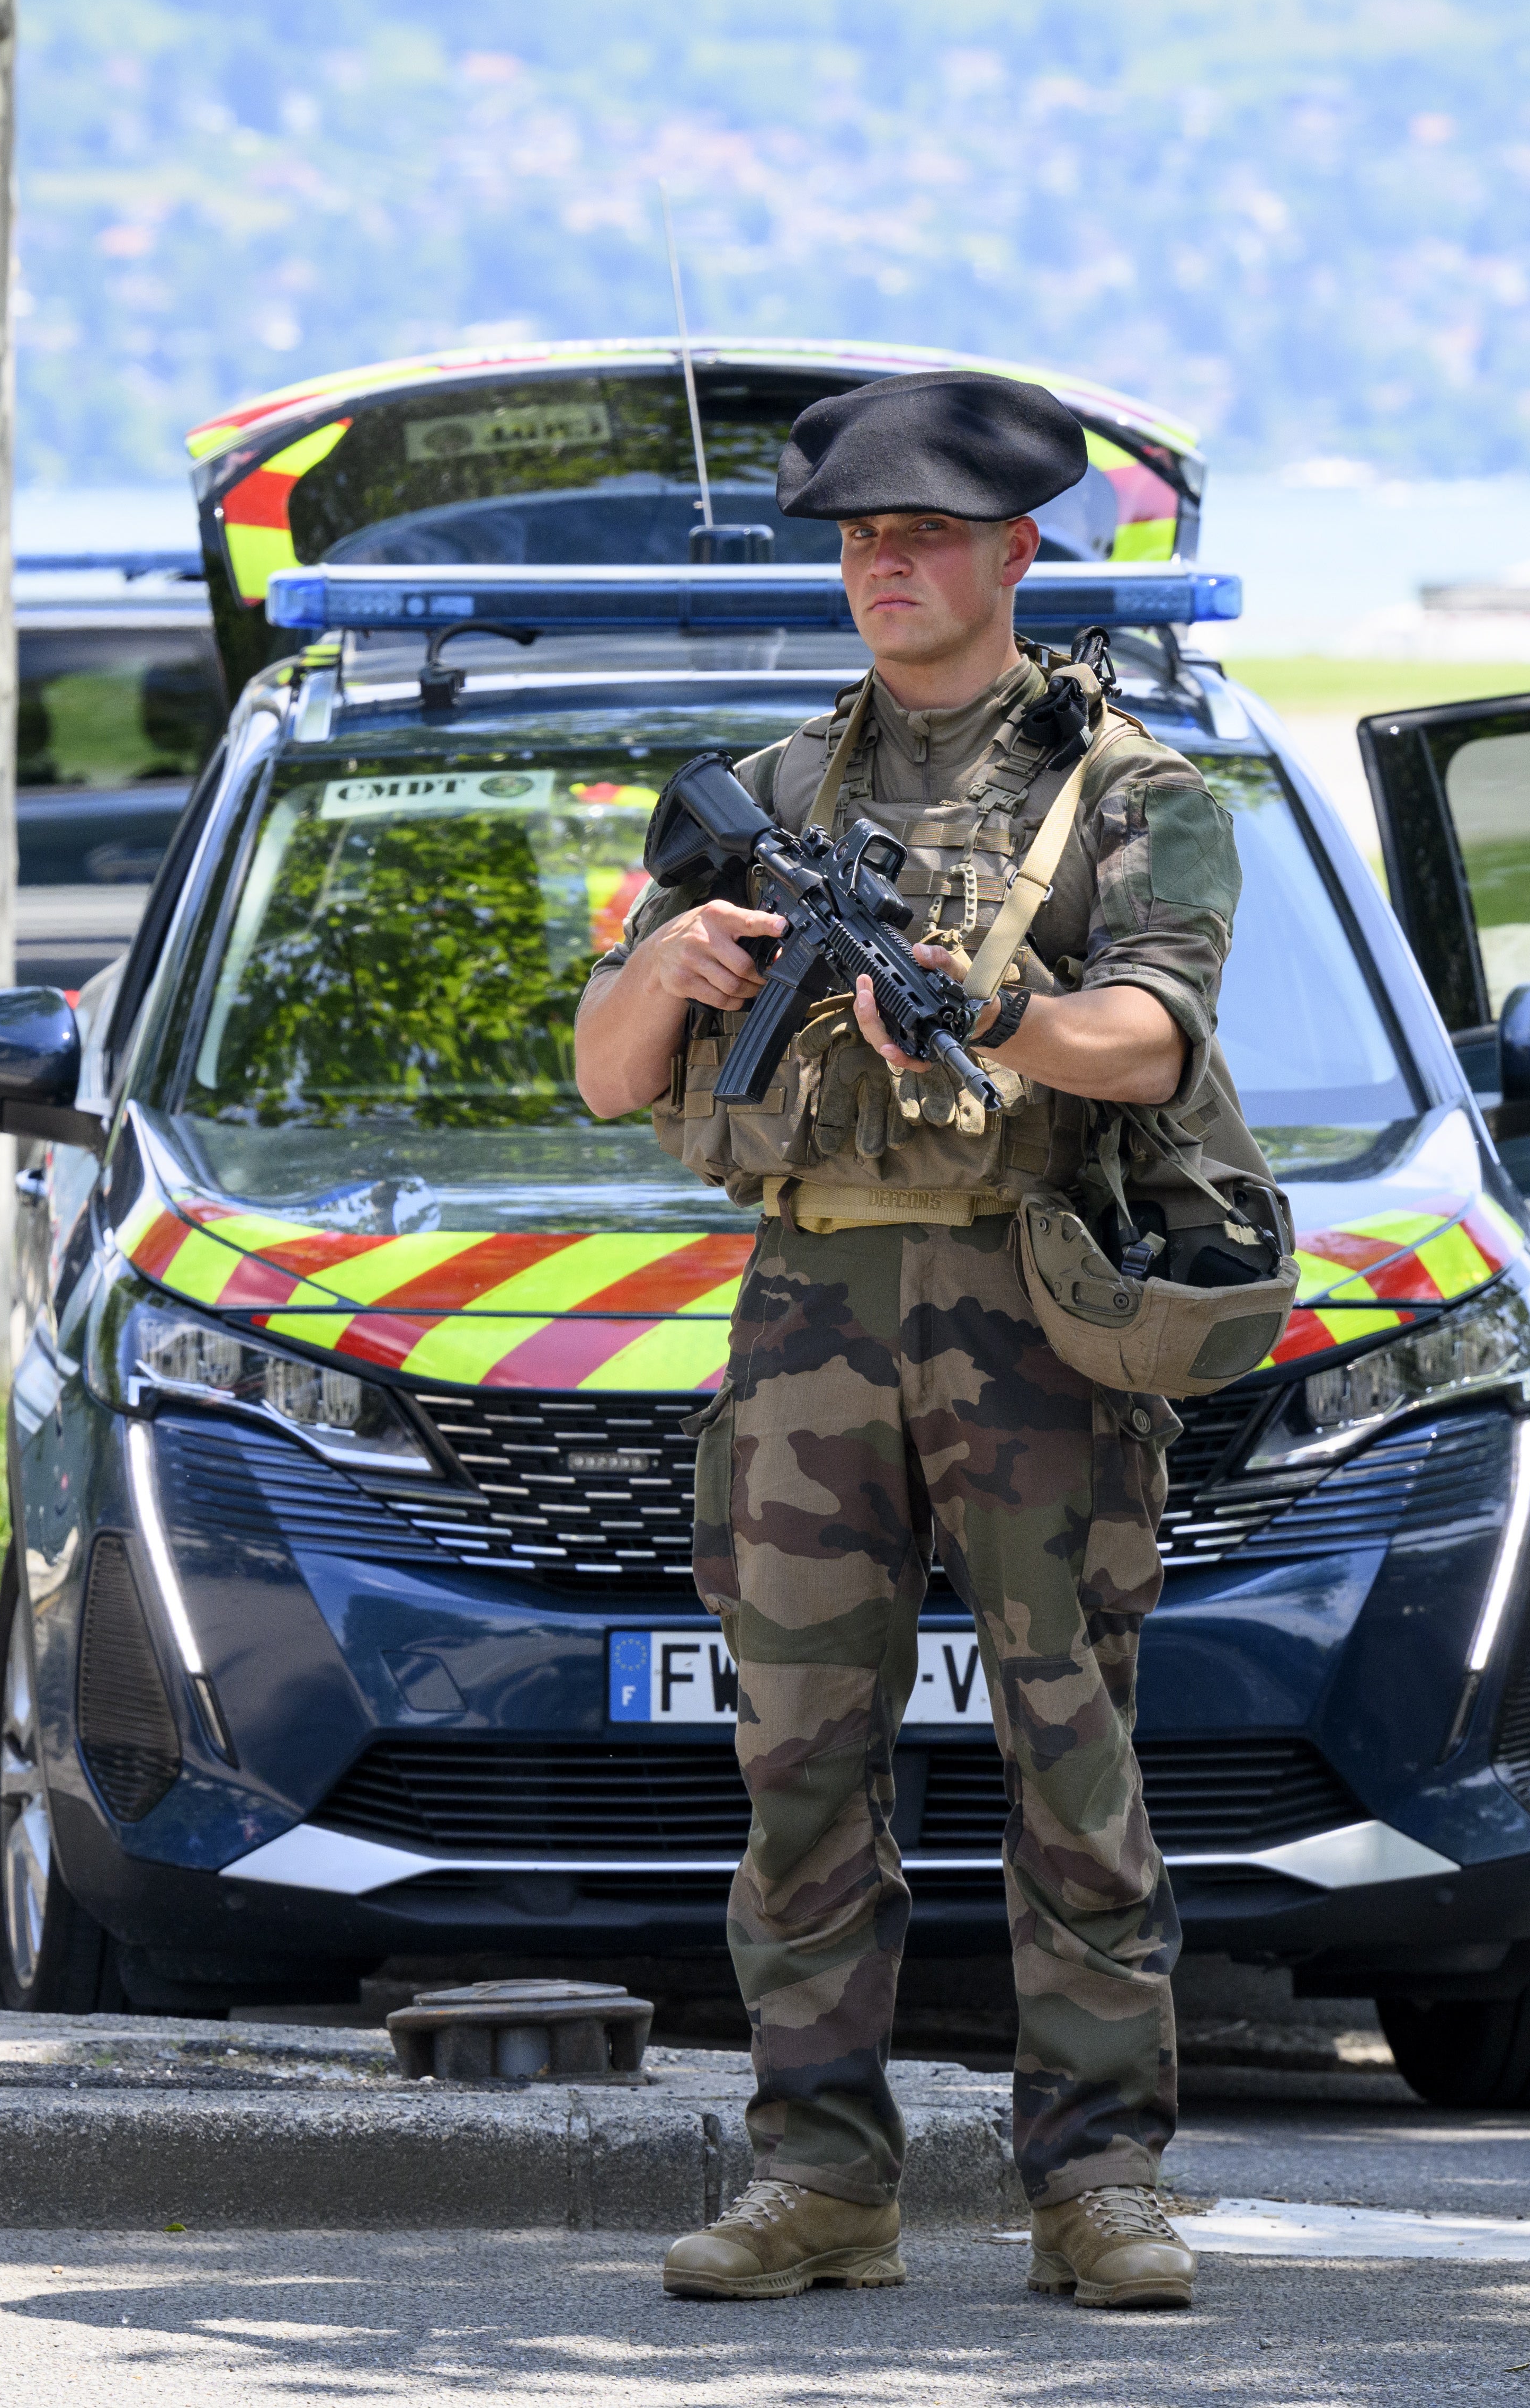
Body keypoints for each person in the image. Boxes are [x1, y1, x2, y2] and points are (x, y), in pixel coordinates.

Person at [573, 372, 1242, 2308]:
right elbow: (613, 1083)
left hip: (1036, 1305)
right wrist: (664, 964)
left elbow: (1156, 1038)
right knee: (797, 1757)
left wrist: (992, 1011)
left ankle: (1098, 2183)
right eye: (860, 540)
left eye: (924, 536)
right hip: (809, 1312)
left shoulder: (1135, 796)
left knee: (1070, 1752)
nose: (884, 565)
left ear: (1017, 555)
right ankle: (819, 2179)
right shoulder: (772, 798)